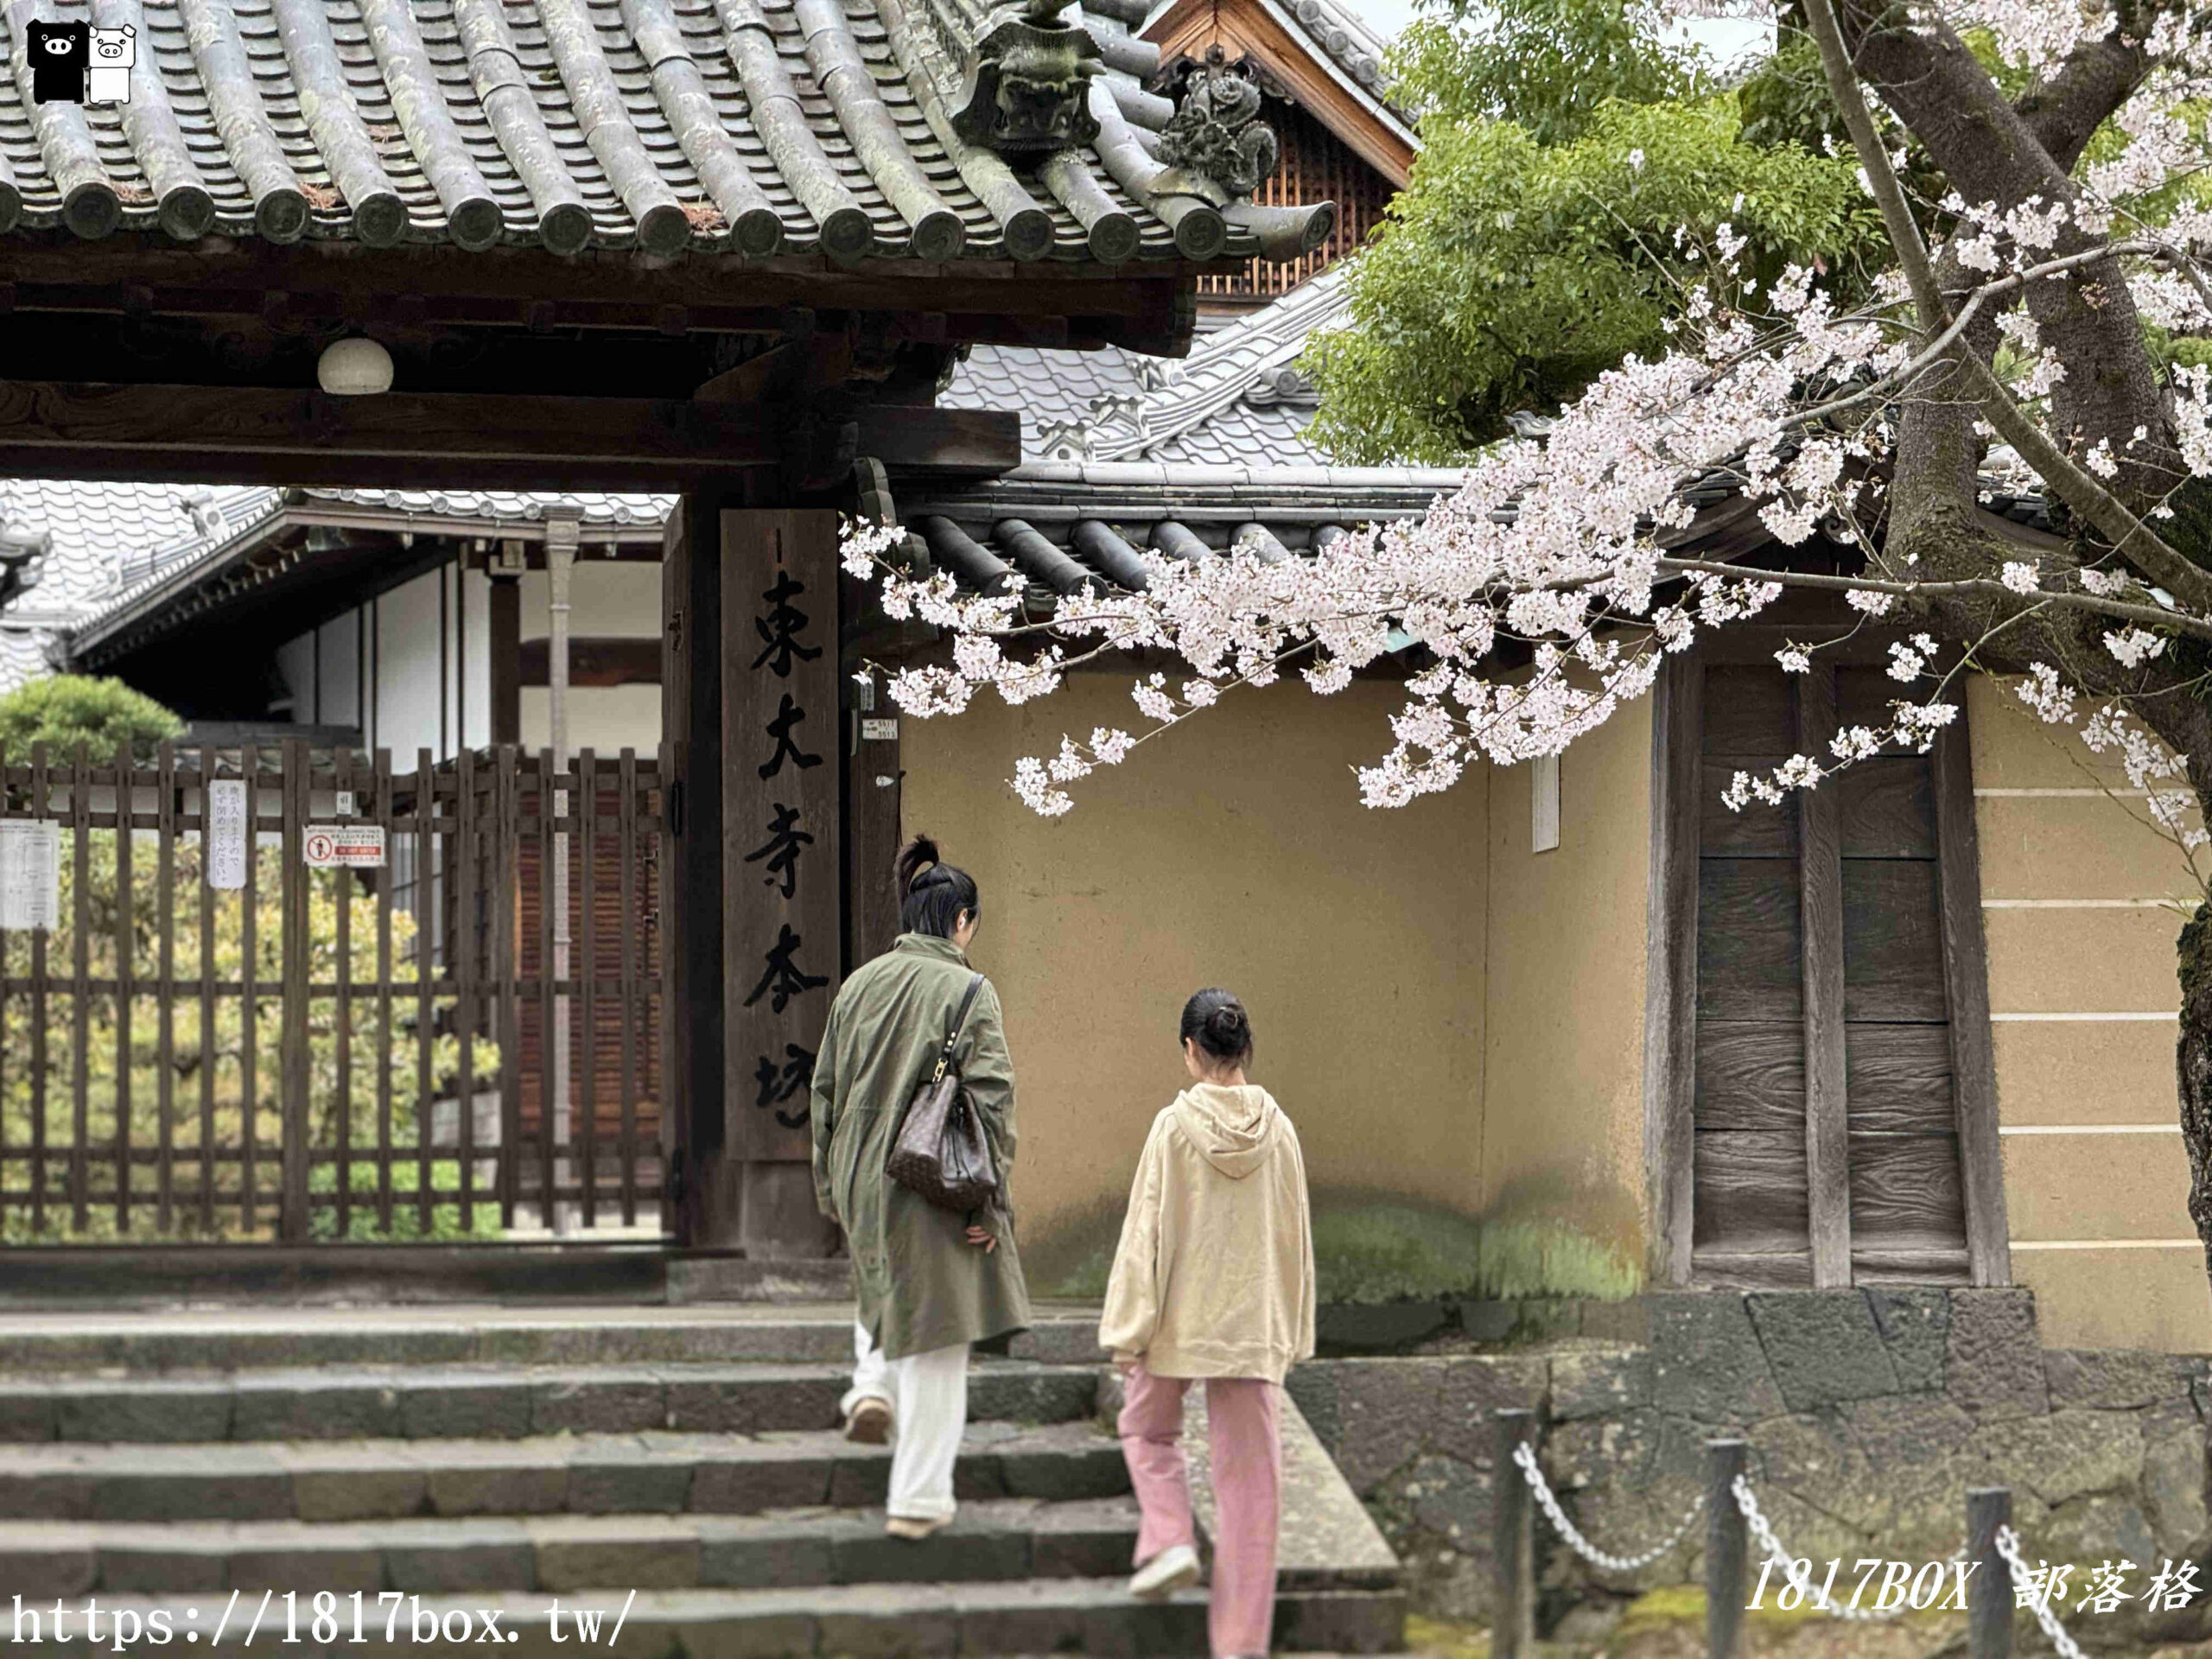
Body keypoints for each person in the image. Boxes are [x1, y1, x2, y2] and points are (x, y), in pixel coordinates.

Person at [809, 835, 1032, 1540]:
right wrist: (989, 1204)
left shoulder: (858, 985)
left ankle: (871, 1386)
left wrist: (830, 1184)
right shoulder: (969, 989)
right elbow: (991, 1100)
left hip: (858, 1168)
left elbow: (824, 1091)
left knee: (881, 1281)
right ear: (961, 921)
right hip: (931, 1175)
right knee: (939, 1337)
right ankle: (918, 1497)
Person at [1099, 989, 1316, 1659]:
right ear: (1244, 1047)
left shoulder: (1172, 1126)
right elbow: (1294, 1236)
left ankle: (1167, 1540)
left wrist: (1127, 1332)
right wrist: (1293, 1331)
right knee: (1254, 1494)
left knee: (1145, 1428)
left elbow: (1146, 1235)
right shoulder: (1280, 1129)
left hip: (1176, 1321)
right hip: (1251, 1325)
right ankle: (1241, 1647)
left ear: (1191, 1051)